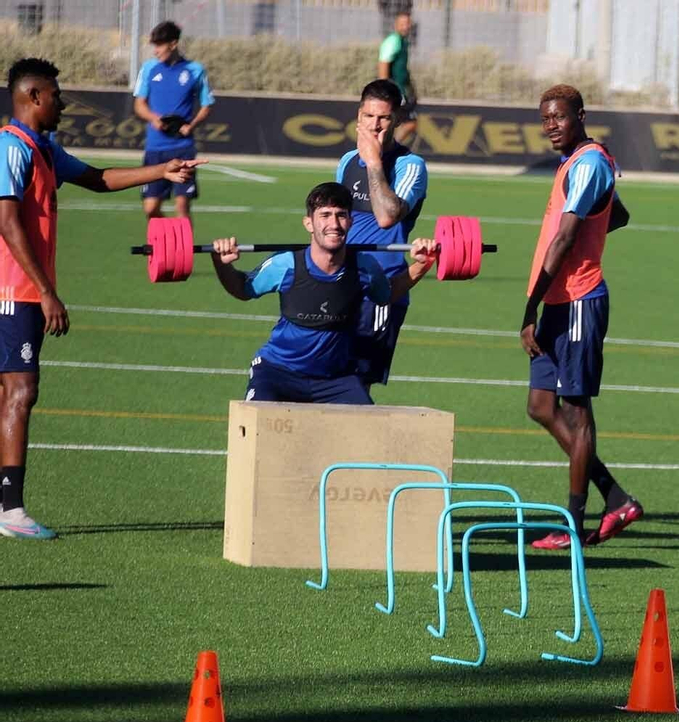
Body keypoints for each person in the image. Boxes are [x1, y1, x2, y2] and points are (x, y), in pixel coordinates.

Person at [0, 57, 206, 540]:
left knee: (11, 393)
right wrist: (48, 293)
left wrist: (163, 169)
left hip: (21, 291)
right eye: (55, 94)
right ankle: (11, 511)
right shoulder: (12, 147)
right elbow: (7, 223)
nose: (63, 101)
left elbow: (98, 178)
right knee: (21, 392)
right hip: (15, 291)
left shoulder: (43, 148)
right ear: (32, 97)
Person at [520, 84, 640, 549]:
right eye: (545, 118)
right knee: (541, 406)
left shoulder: (589, 162)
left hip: (577, 302)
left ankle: (572, 524)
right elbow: (619, 214)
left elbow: (566, 237)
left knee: (577, 413)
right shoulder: (579, 162)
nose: (551, 125)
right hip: (558, 300)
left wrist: (530, 304)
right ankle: (617, 498)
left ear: (581, 115)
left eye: (559, 117)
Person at [209, 182, 437, 404]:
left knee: (370, 435)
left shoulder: (364, 268)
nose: (334, 223)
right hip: (278, 371)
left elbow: (387, 294)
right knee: (257, 431)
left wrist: (422, 264)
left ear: (351, 222)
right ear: (309, 223)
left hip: (336, 380)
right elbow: (242, 288)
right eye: (325, 215)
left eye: (341, 215)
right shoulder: (285, 264)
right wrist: (221, 264)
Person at [337, 79, 428, 391]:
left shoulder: (410, 166)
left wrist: (375, 162)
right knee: (327, 378)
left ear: (397, 120)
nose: (375, 125)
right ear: (358, 116)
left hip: (382, 289)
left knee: (357, 384)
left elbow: (387, 216)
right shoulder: (347, 162)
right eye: (368, 116)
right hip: (340, 285)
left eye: (384, 118)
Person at [131, 21, 214, 222]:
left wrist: (191, 125)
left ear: (173, 44)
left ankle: (183, 251)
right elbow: (139, 104)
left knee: (182, 206)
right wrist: (154, 118)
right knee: (150, 208)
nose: (156, 51)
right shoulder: (149, 68)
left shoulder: (195, 70)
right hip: (155, 148)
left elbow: (207, 105)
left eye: (159, 45)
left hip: (182, 147)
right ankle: (169, 239)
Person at [377, 8, 418, 146]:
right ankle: (387, 147)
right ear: (396, 25)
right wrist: (385, 89)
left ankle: (387, 147)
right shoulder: (393, 41)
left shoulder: (403, 41)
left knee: (400, 123)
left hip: (401, 90)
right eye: (402, 23)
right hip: (395, 91)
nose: (406, 26)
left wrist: (410, 87)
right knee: (409, 123)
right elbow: (383, 63)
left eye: (407, 23)